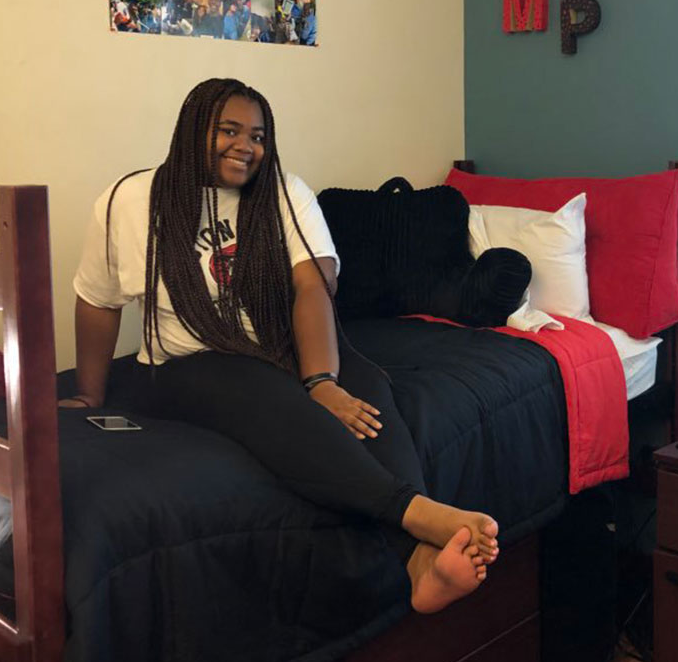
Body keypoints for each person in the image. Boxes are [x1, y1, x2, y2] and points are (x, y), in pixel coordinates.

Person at [65, 79, 499, 613]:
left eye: (258, 135)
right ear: (192, 128)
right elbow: (97, 301)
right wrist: (89, 394)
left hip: (284, 349)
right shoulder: (126, 201)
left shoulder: (283, 192)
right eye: (228, 130)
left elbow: (311, 284)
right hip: (188, 364)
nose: (245, 146)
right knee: (257, 390)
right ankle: (419, 514)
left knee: (366, 391)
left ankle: (417, 562)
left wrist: (323, 382)